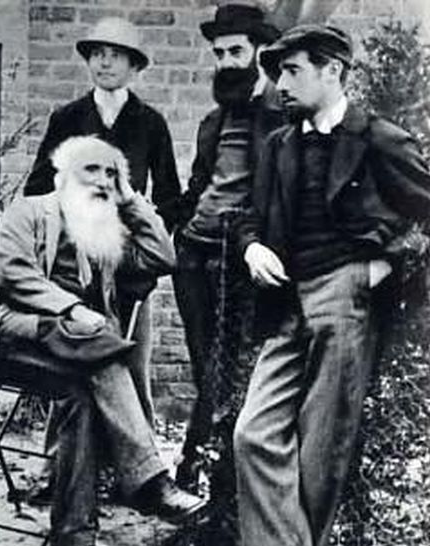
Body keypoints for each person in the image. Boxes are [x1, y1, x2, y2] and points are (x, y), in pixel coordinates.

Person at [229, 24, 430, 546]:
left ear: (333, 71)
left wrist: (381, 265)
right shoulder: (279, 144)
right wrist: (251, 247)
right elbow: (247, 213)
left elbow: (426, 215)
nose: (282, 84)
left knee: (321, 446)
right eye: (279, 73)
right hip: (286, 298)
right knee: (253, 433)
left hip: (346, 293)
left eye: (293, 71)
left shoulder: (379, 139)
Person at [0, 136, 204, 546]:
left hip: (73, 354)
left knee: (81, 395)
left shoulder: (104, 232)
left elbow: (163, 257)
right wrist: (70, 308)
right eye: (92, 170)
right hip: (12, 335)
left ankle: (73, 542)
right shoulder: (28, 212)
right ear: (63, 175)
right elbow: (11, 272)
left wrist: (131, 200)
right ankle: (149, 481)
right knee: (97, 341)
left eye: (111, 173)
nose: (102, 180)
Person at [24, 16, 181, 425]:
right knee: (72, 372)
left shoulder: (149, 122)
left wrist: (146, 248)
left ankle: (140, 456)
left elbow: (170, 199)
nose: (104, 63)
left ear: (134, 66)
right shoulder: (68, 118)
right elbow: (37, 188)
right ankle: (66, 456)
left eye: (115, 55)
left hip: (127, 262)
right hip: (73, 263)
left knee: (131, 364)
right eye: (97, 54)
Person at [173, 2, 285, 489]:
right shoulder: (213, 121)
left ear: (260, 51)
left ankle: (203, 465)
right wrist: (175, 227)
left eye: (236, 51)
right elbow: (199, 186)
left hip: (238, 259)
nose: (225, 62)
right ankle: (202, 464)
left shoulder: (281, 119)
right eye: (219, 53)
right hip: (193, 256)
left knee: (231, 369)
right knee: (204, 364)